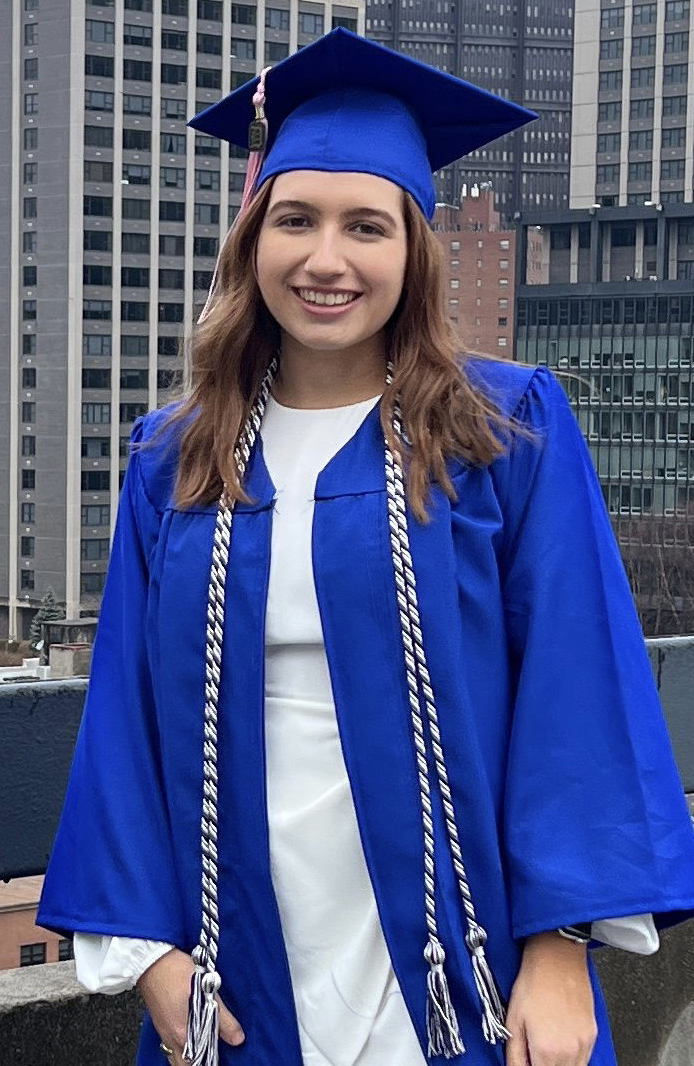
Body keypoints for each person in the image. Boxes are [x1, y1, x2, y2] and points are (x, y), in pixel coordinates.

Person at [38, 28, 694, 1066]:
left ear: (414, 249)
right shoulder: (175, 456)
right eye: (295, 219)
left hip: (461, 949)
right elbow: (126, 708)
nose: (326, 259)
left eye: (366, 226)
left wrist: (561, 949)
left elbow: (577, 681)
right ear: (254, 238)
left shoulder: (503, 428)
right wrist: (149, 951)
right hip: (239, 946)